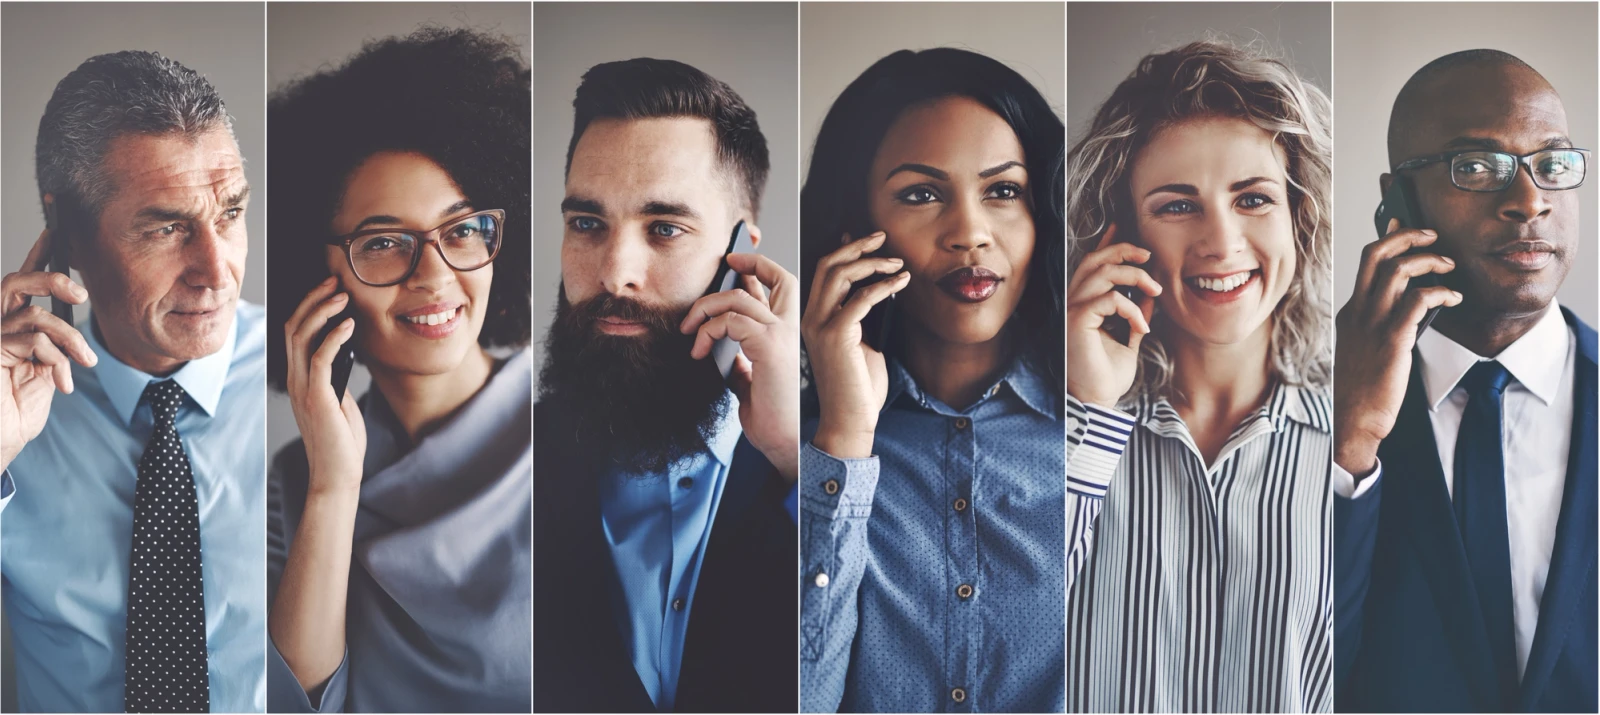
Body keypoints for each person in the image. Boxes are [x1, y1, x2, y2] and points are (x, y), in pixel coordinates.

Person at [264, 28, 532, 713]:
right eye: (384, 242)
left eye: (463, 229)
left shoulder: (566, 427)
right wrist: (333, 487)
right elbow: (298, 702)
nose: (435, 274)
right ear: (317, 271)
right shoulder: (297, 478)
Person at [1064, 41, 1334, 711]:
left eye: (1253, 198)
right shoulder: (1060, 426)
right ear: (1121, 235)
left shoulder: (1359, 439)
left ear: (1298, 218)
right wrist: (1088, 409)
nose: (1221, 242)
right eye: (1178, 206)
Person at [799, 47, 1066, 713]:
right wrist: (844, 439)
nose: (970, 233)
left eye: (1003, 191)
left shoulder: (1113, 437)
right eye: (921, 194)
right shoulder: (794, 451)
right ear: (854, 231)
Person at [0, 51, 265, 712]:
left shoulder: (315, 378)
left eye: (230, 214)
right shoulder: (12, 409)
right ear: (65, 231)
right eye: (167, 227)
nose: (216, 269)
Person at [1334, 49, 1596, 712]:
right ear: (1398, 199)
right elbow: (1283, 664)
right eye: (1476, 166)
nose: (1529, 200)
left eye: (1553, 162)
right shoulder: (1314, 413)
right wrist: (1350, 440)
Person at [534, 58, 800, 713]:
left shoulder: (833, 461)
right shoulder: (506, 465)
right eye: (588, 224)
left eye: (664, 228)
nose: (614, 273)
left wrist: (799, 459)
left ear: (742, 256)